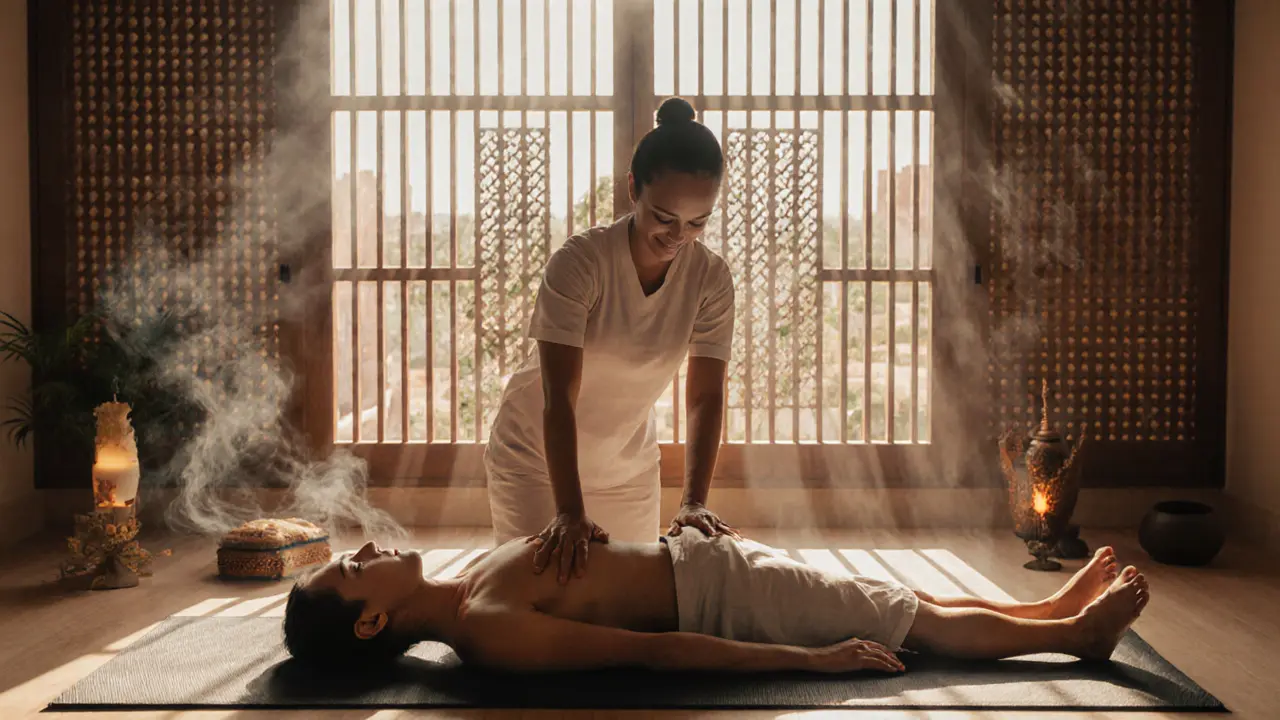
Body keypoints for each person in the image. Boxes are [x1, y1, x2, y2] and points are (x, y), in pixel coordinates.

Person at [483, 97, 739, 584]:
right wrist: (569, 511)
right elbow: (560, 397)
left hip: (627, 468)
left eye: (698, 222)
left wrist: (693, 503)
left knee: (631, 607)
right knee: (540, 603)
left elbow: (705, 396)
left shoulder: (710, 279)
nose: (678, 236)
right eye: (663, 217)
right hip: (536, 460)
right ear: (631, 190)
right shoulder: (581, 263)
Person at [283, 533, 1150, 674]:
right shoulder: (486, 630)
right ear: (372, 621)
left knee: (895, 594)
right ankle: (1075, 640)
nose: (361, 549)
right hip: (726, 600)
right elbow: (651, 653)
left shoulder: (469, 579)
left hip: (709, 560)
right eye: (354, 572)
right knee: (903, 621)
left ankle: (1042, 612)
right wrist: (809, 663)